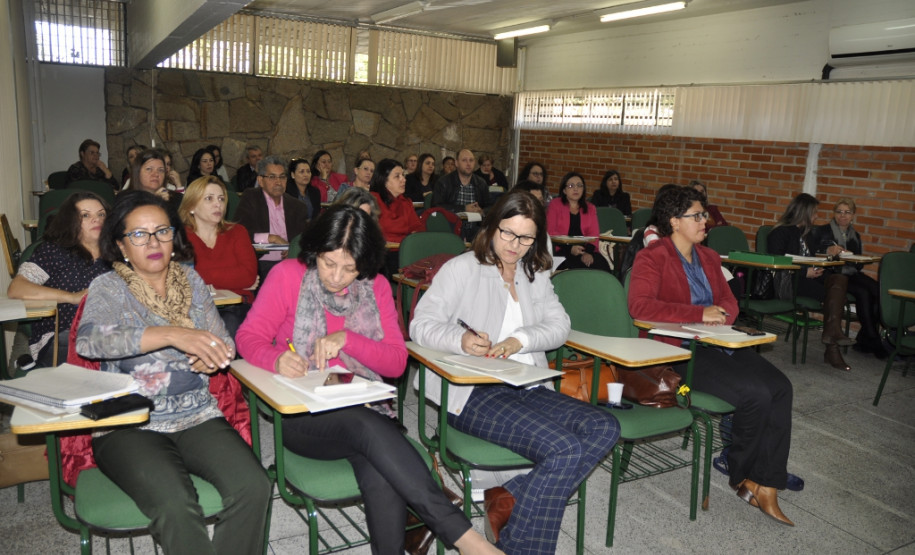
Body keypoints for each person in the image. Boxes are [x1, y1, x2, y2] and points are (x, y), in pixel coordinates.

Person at [235, 206, 501, 555]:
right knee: (373, 431)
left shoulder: (374, 286)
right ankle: (467, 540)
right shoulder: (288, 275)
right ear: (316, 251)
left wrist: (348, 338)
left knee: (380, 463)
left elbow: (395, 362)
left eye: (350, 268)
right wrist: (276, 358)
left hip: (366, 408)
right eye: (329, 263)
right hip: (303, 416)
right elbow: (247, 337)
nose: (336, 276)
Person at [410, 190, 620, 554]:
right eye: (507, 232)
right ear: (492, 226)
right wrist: (460, 339)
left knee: (605, 426)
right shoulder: (462, 268)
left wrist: (520, 340)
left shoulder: (534, 273)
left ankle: (513, 497)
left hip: (527, 383)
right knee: (564, 449)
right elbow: (421, 325)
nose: (514, 245)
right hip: (474, 389)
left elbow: (560, 327)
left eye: (526, 237)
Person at [75, 190, 271, 553]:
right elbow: (88, 341)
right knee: (177, 505)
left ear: (173, 237)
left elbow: (223, 342)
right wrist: (171, 334)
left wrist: (212, 356)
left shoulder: (191, 283)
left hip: (196, 413)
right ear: (120, 245)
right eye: (139, 234)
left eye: (162, 232)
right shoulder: (109, 287)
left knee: (255, 485)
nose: (153, 242)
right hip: (128, 423)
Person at [628, 186, 796, 527]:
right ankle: (742, 473)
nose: (706, 221)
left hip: (718, 343)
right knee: (754, 394)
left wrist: (722, 317)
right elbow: (640, 307)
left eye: (704, 214)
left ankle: (768, 482)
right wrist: (698, 313)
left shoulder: (709, 257)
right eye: (698, 215)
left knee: (781, 387)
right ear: (674, 222)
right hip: (677, 352)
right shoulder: (652, 257)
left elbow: (729, 300)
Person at [7, 191, 110, 367]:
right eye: (86, 215)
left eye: (101, 214)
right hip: (65, 335)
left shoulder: (120, 253)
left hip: (113, 334)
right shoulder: (54, 251)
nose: (97, 219)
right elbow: (17, 288)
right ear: (70, 221)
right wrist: (72, 297)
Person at [768, 193, 855, 371]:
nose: (816, 216)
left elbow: (812, 255)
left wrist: (826, 254)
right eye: (814, 212)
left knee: (839, 279)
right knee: (836, 298)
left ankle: (831, 337)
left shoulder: (807, 233)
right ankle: (832, 344)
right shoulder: (780, 232)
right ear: (804, 213)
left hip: (805, 277)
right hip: (788, 281)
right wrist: (803, 271)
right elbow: (774, 262)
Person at [180, 176, 259, 337]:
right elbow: (182, 277)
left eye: (221, 199)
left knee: (227, 323)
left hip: (236, 307)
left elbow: (248, 276)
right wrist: (233, 280)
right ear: (191, 206)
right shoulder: (181, 236)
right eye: (209, 199)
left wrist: (201, 276)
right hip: (195, 307)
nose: (218, 204)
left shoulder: (237, 232)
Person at [808, 197, 885, 358]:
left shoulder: (854, 235)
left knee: (879, 292)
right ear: (834, 214)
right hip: (833, 274)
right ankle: (872, 337)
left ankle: (865, 337)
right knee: (863, 293)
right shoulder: (821, 231)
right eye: (839, 212)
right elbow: (813, 252)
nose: (843, 216)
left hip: (851, 272)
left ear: (853, 215)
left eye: (847, 212)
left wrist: (853, 259)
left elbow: (858, 265)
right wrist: (829, 250)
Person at [234, 155, 309, 281]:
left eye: (282, 177)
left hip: (290, 264)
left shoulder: (297, 206)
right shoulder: (251, 198)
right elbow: (239, 231)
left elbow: (303, 238)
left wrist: (293, 249)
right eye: (272, 177)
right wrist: (271, 238)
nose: (278, 182)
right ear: (260, 180)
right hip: (261, 262)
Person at [546, 172, 611, 272]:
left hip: (587, 249)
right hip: (562, 249)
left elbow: (594, 234)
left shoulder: (590, 208)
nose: (576, 189)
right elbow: (551, 231)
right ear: (564, 190)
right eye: (571, 185)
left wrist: (587, 253)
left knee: (601, 265)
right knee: (576, 265)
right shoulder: (555, 204)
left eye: (579, 185)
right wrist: (570, 248)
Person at [432, 148, 490, 241]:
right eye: (464, 160)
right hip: (450, 228)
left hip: (475, 229)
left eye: (471, 160)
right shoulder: (444, 182)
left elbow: (490, 206)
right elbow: (436, 206)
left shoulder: (481, 183)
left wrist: (482, 211)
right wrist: (464, 208)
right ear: (457, 163)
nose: (468, 164)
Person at [370, 159, 424, 243]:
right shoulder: (373, 200)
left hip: (405, 249)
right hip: (383, 251)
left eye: (403, 175)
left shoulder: (406, 202)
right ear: (384, 180)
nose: (404, 179)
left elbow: (417, 228)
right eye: (397, 176)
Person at [125, 149, 183, 217]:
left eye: (160, 170)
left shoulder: (176, 198)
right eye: (149, 169)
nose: (156, 174)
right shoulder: (125, 200)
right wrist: (154, 202)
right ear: (137, 172)